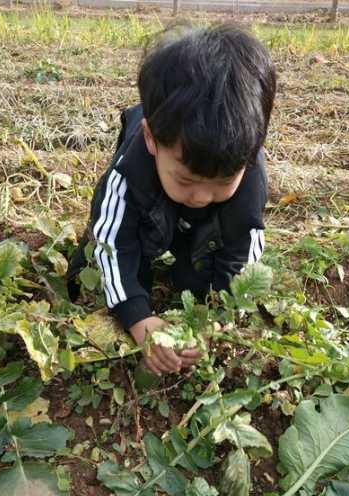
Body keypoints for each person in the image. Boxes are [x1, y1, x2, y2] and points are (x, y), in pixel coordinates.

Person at [67, 23, 276, 376]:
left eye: (222, 182)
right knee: (102, 267)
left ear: (253, 150)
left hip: (199, 196)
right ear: (152, 139)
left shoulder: (249, 174)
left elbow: (244, 248)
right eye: (186, 180)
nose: (201, 196)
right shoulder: (129, 172)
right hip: (147, 191)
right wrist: (139, 319)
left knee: (197, 269)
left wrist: (219, 317)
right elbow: (109, 242)